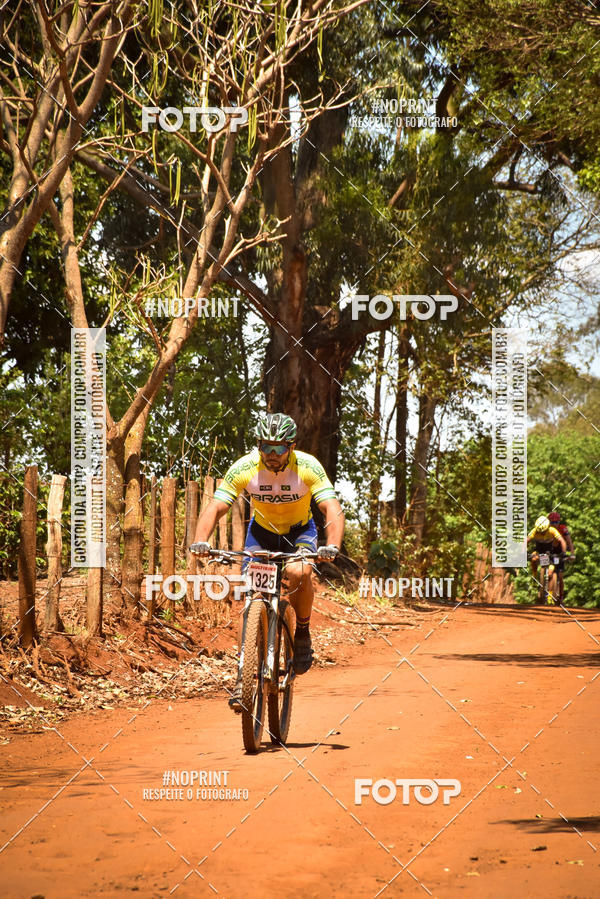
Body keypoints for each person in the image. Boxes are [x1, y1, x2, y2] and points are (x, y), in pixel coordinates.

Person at [190, 412, 345, 711]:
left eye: (279, 448)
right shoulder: (246, 467)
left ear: (292, 446)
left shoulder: (308, 466)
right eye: (266, 447)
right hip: (260, 535)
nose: (272, 455)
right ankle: (242, 677)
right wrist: (201, 541)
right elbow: (216, 506)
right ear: (258, 446)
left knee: (299, 572)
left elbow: (331, 508)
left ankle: (302, 631)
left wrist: (333, 545)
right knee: (252, 600)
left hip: (300, 532)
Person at [526, 515, 567, 604]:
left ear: (547, 527)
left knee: (551, 573)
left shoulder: (552, 530)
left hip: (550, 552)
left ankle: (550, 594)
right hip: (538, 551)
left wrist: (563, 553)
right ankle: (534, 575)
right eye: (540, 532)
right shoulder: (534, 531)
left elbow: (562, 541)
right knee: (533, 559)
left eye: (544, 532)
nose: (542, 534)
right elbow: (526, 541)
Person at [548, 511, 575, 603]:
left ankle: (561, 596)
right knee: (549, 572)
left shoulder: (563, 528)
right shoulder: (546, 529)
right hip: (550, 550)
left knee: (560, 576)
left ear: (559, 522)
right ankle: (545, 589)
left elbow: (569, 541)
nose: (555, 524)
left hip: (560, 552)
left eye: (557, 522)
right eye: (552, 522)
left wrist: (572, 554)